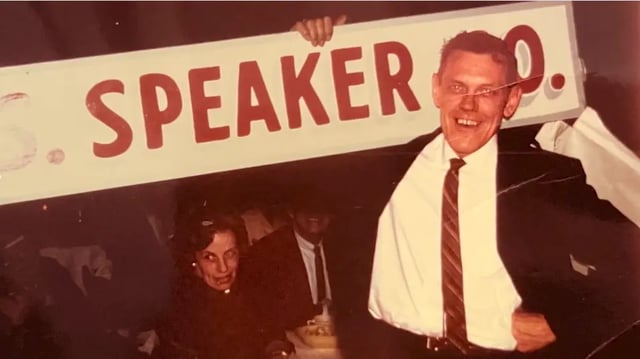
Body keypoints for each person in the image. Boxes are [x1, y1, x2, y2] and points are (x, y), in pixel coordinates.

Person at [364, 30, 640, 359]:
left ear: (510, 101)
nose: (468, 104)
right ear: (436, 89)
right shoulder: (386, 168)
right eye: (457, 87)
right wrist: (298, 38)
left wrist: (566, 321)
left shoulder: (543, 176)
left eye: (487, 91)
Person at [154, 210, 293, 359]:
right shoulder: (178, 309)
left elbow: (272, 334)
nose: (223, 268)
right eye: (210, 257)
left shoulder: (251, 287)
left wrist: (277, 353)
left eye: (230, 254)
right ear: (193, 261)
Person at [244, 186, 338, 334]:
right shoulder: (267, 252)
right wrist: (322, 309)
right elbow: (267, 313)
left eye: (322, 206)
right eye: (306, 205)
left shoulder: (344, 250)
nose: (315, 212)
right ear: (291, 211)